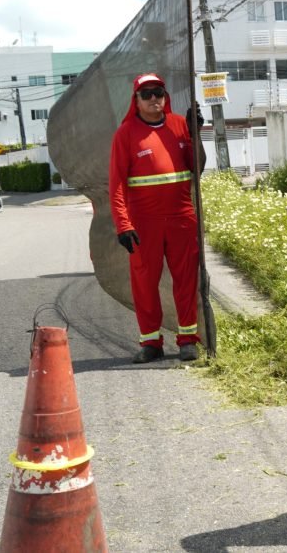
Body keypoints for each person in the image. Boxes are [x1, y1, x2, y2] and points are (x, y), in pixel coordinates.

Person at [109, 73, 206, 363]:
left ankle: (188, 339)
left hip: (181, 217)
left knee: (186, 280)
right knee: (144, 283)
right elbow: (116, 184)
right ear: (136, 100)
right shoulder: (125, 133)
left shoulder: (179, 125)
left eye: (159, 92)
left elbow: (196, 168)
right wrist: (123, 224)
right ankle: (151, 342)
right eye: (147, 93)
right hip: (143, 224)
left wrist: (195, 133)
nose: (154, 98)